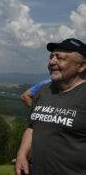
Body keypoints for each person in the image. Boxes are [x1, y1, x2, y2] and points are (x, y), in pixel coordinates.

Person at [15, 38, 86, 175]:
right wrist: (22, 155)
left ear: (82, 66)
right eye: (51, 57)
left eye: (60, 58)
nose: (52, 62)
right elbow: (32, 127)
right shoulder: (43, 91)